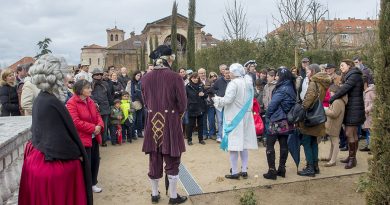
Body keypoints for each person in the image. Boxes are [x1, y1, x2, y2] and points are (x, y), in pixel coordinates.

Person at [18, 54, 92, 205]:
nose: (68, 77)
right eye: (65, 74)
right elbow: (58, 141)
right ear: (57, 77)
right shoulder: (51, 102)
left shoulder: (42, 98)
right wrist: (78, 154)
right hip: (52, 166)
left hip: (40, 159)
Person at [141, 45, 187, 204]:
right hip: (170, 121)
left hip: (152, 121)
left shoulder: (145, 77)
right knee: (173, 158)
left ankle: (154, 194)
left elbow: (146, 101)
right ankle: (173, 196)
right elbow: (182, 104)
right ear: (169, 59)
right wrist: (177, 116)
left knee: (154, 157)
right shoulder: (175, 77)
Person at [213, 63, 258, 180]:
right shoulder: (248, 83)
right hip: (246, 117)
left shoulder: (234, 83)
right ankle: (244, 170)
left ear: (235, 72)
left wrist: (216, 99)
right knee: (243, 145)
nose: (229, 73)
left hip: (234, 117)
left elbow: (228, 100)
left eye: (231, 71)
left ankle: (234, 172)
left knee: (233, 145)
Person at [67, 79, 104, 193]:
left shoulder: (90, 101)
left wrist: (99, 126)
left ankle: (93, 183)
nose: (90, 89)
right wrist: (93, 128)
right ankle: (85, 186)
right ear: (80, 90)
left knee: (95, 161)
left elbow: (98, 115)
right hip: (83, 139)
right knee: (86, 164)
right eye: (88, 88)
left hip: (94, 137)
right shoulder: (71, 103)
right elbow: (75, 122)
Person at [329, 59, 365, 169]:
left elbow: (344, 89)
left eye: (342, 65)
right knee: (352, 133)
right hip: (353, 107)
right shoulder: (351, 75)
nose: (341, 67)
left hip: (354, 108)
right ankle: (351, 157)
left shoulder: (353, 75)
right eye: (340, 66)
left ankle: (352, 159)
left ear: (349, 65)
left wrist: (333, 98)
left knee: (349, 133)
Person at [298, 64, 331, 177]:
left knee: (307, 141)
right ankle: (315, 166)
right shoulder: (323, 83)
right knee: (313, 142)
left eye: (307, 71)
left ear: (312, 71)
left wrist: (302, 108)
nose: (306, 73)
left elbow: (309, 99)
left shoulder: (313, 83)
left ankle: (310, 167)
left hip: (310, 117)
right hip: (318, 115)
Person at [263, 67, 296, 180]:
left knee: (270, 144)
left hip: (277, 119)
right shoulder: (291, 87)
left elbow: (273, 105)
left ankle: (272, 171)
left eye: (278, 75)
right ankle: (282, 169)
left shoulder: (282, 89)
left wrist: (267, 116)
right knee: (283, 144)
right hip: (287, 120)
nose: (276, 77)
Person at [322, 85, 347, 167]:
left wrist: (325, 110)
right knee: (333, 143)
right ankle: (330, 158)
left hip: (334, 124)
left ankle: (333, 161)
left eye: (331, 92)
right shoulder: (340, 100)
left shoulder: (337, 101)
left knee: (335, 142)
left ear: (335, 92)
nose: (330, 94)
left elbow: (334, 114)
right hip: (335, 124)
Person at [90, 68, 113, 147]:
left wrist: (111, 106)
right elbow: (89, 96)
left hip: (105, 107)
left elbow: (109, 96)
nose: (99, 76)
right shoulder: (90, 85)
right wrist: (95, 102)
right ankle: (96, 141)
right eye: (97, 74)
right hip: (95, 108)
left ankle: (104, 141)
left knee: (104, 126)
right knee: (95, 126)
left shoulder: (105, 84)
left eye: (100, 74)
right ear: (93, 76)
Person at [186, 73, 207, 145]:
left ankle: (200, 139)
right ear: (191, 78)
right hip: (192, 108)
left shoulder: (201, 86)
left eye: (197, 78)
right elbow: (185, 97)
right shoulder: (187, 86)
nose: (195, 79)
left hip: (200, 107)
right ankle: (189, 140)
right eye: (194, 78)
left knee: (200, 124)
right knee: (191, 125)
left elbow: (206, 95)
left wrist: (203, 94)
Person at [212, 68, 231, 143]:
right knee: (220, 120)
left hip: (229, 104)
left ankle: (227, 136)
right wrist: (218, 94)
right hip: (220, 103)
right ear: (223, 73)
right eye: (226, 73)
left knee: (228, 120)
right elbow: (212, 88)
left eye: (229, 73)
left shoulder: (233, 81)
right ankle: (219, 136)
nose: (227, 74)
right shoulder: (219, 80)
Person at [360, 76, 375, 152]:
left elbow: (375, 102)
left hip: (370, 116)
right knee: (367, 130)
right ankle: (368, 145)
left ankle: (372, 147)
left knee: (371, 131)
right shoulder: (365, 92)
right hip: (366, 116)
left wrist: (367, 109)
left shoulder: (371, 92)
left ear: (365, 83)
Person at [128, 70, 144, 138]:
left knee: (139, 119)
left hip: (141, 102)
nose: (139, 77)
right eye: (137, 75)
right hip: (133, 102)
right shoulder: (131, 82)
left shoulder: (141, 82)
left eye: (140, 76)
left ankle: (140, 133)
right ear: (134, 75)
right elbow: (130, 93)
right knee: (133, 119)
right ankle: (133, 134)